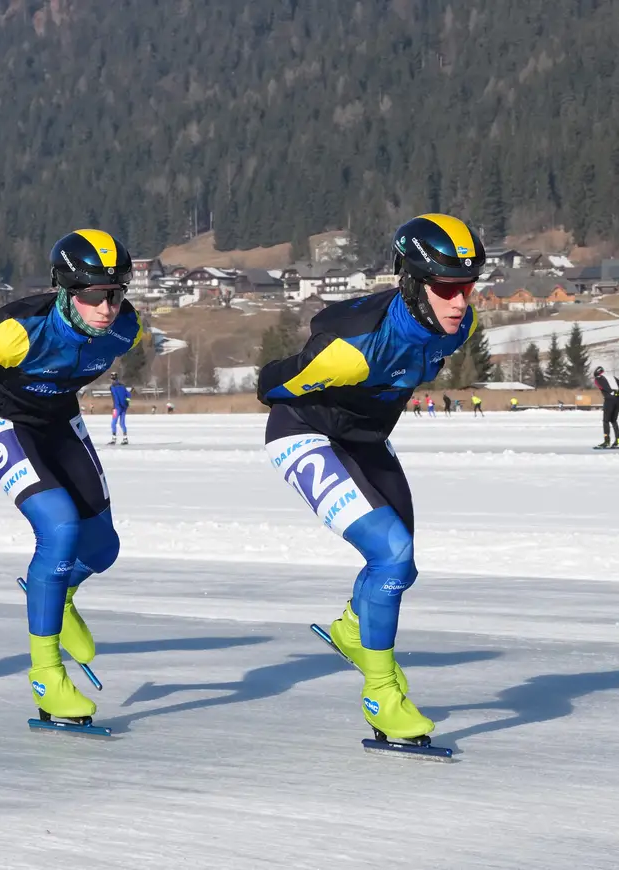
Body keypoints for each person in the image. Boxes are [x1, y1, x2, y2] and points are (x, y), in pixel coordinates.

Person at [258, 212, 483, 742]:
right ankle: (382, 694)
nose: (461, 302)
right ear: (412, 280)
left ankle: (351, 629)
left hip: (366, 441)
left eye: (468, 286)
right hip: (303, 433)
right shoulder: (351, 348)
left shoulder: (458, 327)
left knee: (401, 568)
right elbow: (273, 384)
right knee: (391, 552)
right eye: (448, 288)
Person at [0, 228, 142, 723]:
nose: (106, 306)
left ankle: (56, 592)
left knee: (102, 549)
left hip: (55, 417)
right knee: (59, 526)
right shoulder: (17, 332)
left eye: (115, 292)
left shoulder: (125, 328)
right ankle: (47, 676)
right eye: (92, 293)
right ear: (66, 290)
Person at [592, 365, 619, 448]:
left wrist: (611, 392)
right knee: (613, 420)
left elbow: (604, 388)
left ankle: (606, 441)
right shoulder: (611, 377)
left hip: (610, 399)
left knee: (606, 421)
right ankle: (618, 441)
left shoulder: (598, 378)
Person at [109, 372, 130, 445]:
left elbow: (116, 397)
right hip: (124, 407)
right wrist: (127, 402)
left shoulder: (112, 387)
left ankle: (114, 439)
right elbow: (128, 394)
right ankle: (125, 438)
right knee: (122, 423)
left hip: (117, 408)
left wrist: (118, 405)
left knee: (113, 423)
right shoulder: (122, 386)